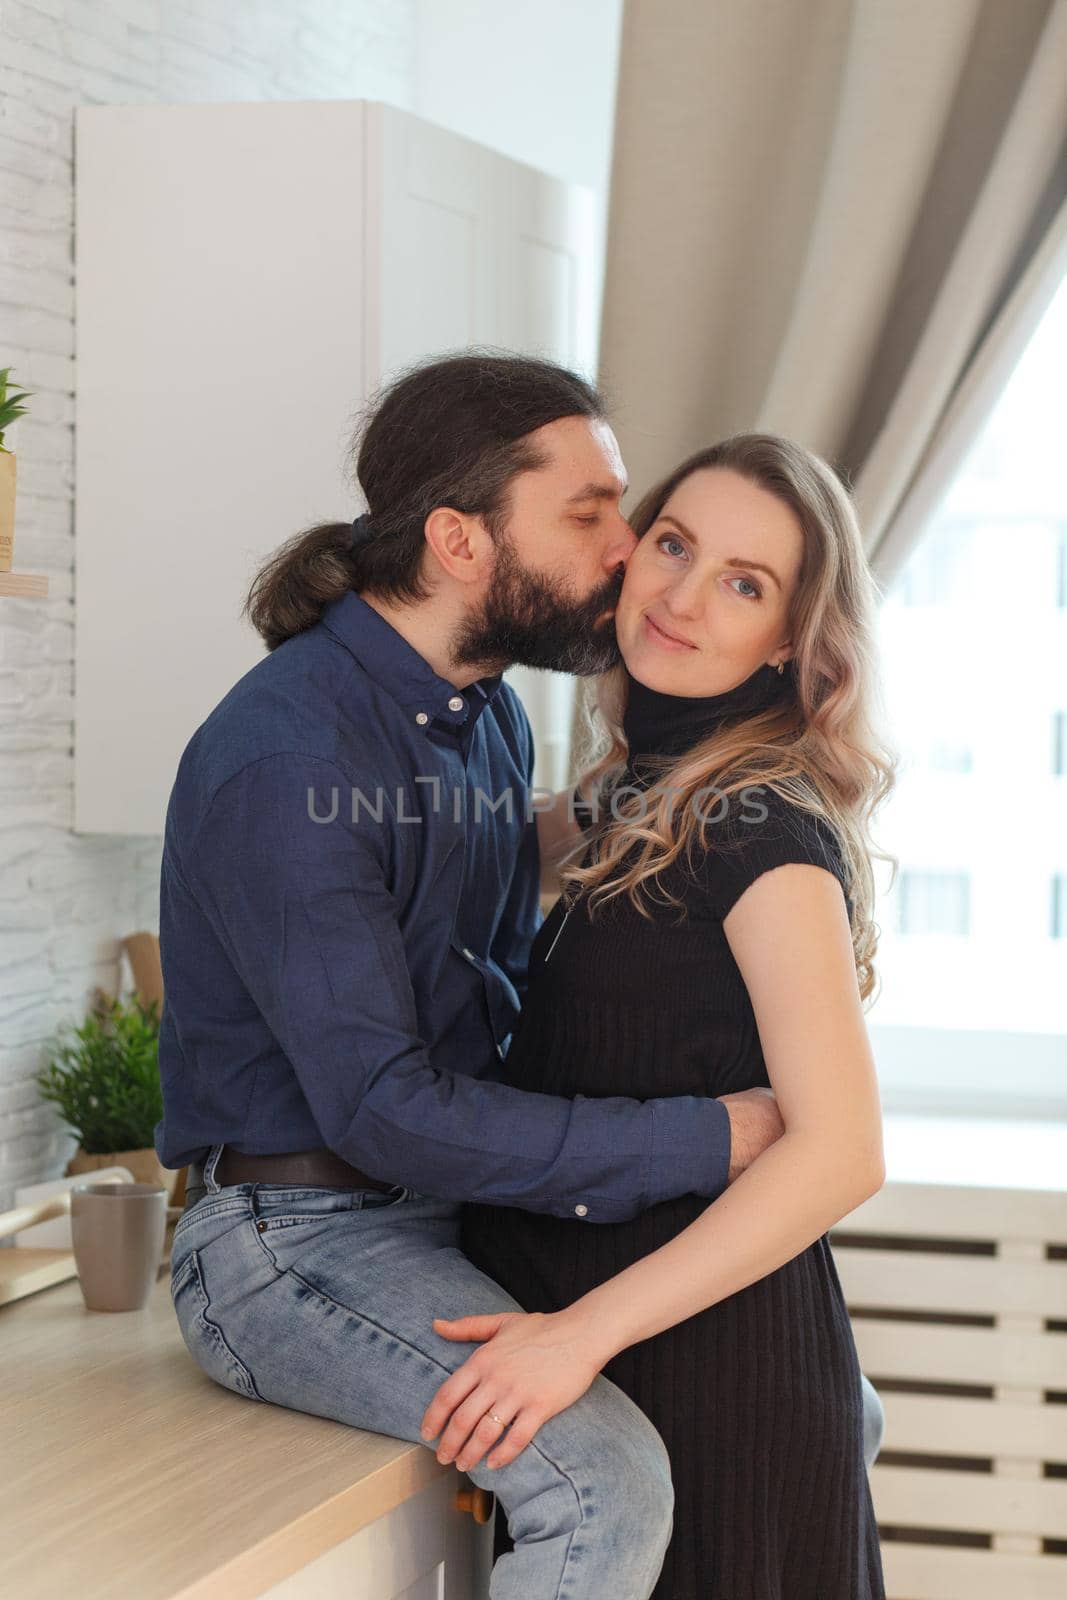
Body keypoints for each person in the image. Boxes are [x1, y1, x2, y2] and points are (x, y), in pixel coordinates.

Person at [157, 354, 883, 1600]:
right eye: (601, 520)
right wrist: (708, 1138)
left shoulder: (483, 716)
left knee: (836, 1412)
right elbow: (385, 1106)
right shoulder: (287, 755)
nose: (630, 561)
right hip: (297, 1236)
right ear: (458, 542)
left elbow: (583, 836)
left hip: (442, 1214)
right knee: (607, 1478)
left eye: (631, 517)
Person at [423, 434, 897, 1599]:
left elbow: (842, 1151)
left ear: (789, 638)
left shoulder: (755, 826)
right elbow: (475, 843)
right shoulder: (641, 793)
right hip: (619, 1371)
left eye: (743, 582)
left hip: (708, 1391)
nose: (683, 599)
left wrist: (578, 1332)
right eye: (674, 547)